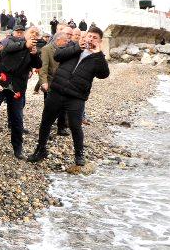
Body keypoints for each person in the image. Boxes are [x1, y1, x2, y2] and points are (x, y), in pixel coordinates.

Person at [28, 27, 109, 165]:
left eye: (95, 38)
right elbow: (57, 56)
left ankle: (79, 155)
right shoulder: (73, 46)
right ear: (85, 36)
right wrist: (78, 47)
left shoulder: (98, 57)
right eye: (89, 36)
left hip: (76, 96)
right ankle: (40, 150)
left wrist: (98, 53)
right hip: (57, 90)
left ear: (100, 41)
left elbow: (104, 74)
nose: (91, 39)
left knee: (75, 126)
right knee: (46, 122)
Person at [0, 24, 41, 158]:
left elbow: (38, 65)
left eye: (36, 33)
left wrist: (34, 54)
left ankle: (18, 148)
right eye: (32, 32)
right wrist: (25, 45)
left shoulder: (34, 48)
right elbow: (8, 48)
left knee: (17, 118)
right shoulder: (13, 40)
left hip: (17, 87)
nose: (34, 35)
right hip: (1, 82)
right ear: (25, 34)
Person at [37, 30, 72, 139]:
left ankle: (61, 127)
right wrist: (44, 82)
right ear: (58, 40)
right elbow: (43, 68)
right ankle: (45, 131)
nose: (67, 42)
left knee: (63, 107)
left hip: (64, 83)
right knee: (49, 108)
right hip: (51, 83)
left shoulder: (66, 49)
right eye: (65, 40)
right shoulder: (46, 49)